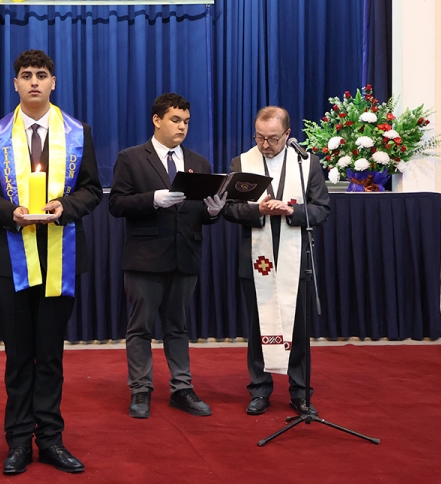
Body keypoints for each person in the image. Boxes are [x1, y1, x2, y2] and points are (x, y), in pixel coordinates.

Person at [0, 49, 102, 475]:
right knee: (18, 355)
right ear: (15, 84)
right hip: (10, 259)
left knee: (50, 355)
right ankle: (17, 442)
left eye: (41, 75)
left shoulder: (78, 133)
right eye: (25, 75)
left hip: (61, 255)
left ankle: (50, 439)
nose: (33, 82)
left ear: (53, 82)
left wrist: (66, 207)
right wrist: (12, 213)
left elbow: (92, 190)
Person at [108, 93, 227, 419]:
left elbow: (201, 214)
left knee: (178, 327)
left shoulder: (199, 163)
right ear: (157, 120)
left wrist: (213, 212)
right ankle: (141, 389)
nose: (182, 127)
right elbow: (116, 204)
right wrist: (153, 199)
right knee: (141, 328)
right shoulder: (131, 158)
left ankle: (181, 388)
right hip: (145, 257)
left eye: (186, 121)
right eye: (175, 120)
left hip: (185, 256)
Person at [223, 106, 329, 417]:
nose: (264, 144)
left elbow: (322, 209)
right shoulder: (242, 163)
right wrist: (257, 210)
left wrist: (292, 211)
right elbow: (229, 209)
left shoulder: (306, 164)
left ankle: (300, 392)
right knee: (258, 326)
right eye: (259, 137)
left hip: (297, 258)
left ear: (288, 135)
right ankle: (259, 390)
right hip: (256, 259)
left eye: (272, 138)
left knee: (298, 327)